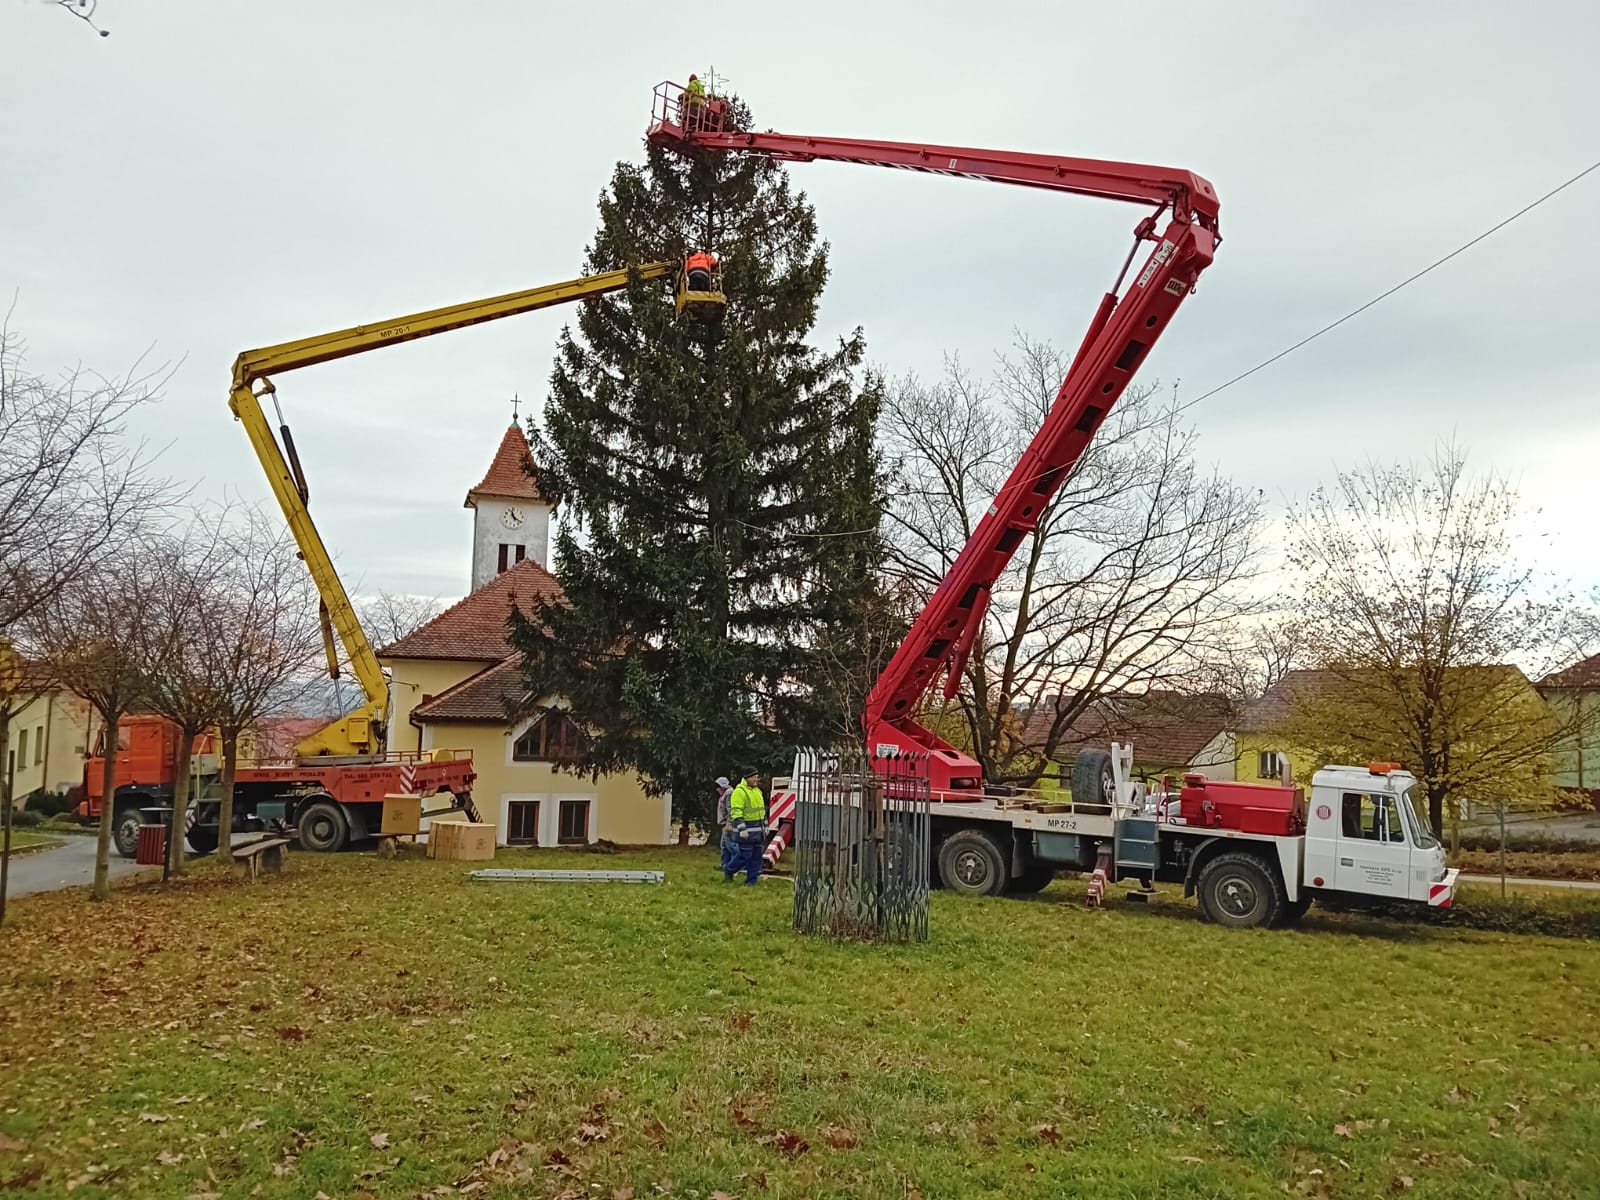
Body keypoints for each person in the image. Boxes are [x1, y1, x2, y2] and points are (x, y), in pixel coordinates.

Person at [726, 766, 767, 885]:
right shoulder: (739, 792)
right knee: (744, 856)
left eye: (756, 776)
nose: (756, 779)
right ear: (747, 778)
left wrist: (765, 825)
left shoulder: (757, 791)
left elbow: (762, 811)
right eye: (754, 777)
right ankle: (729, 870)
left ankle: (751, 881)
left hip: (758, 833)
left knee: (756, 858)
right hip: (746, 833)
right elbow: (736, 812)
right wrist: (741, 828)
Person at [714, 775, 738, 877]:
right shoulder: (725, 794)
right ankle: (726, 868)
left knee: (731, 846)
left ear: (723, 786)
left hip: (728, 825)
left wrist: (729, 823)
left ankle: (737, 863)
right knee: (724, 847)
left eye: (718, 786)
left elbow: (731, 810)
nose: (717, 789)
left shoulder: (729, 794)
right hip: (724, 824)